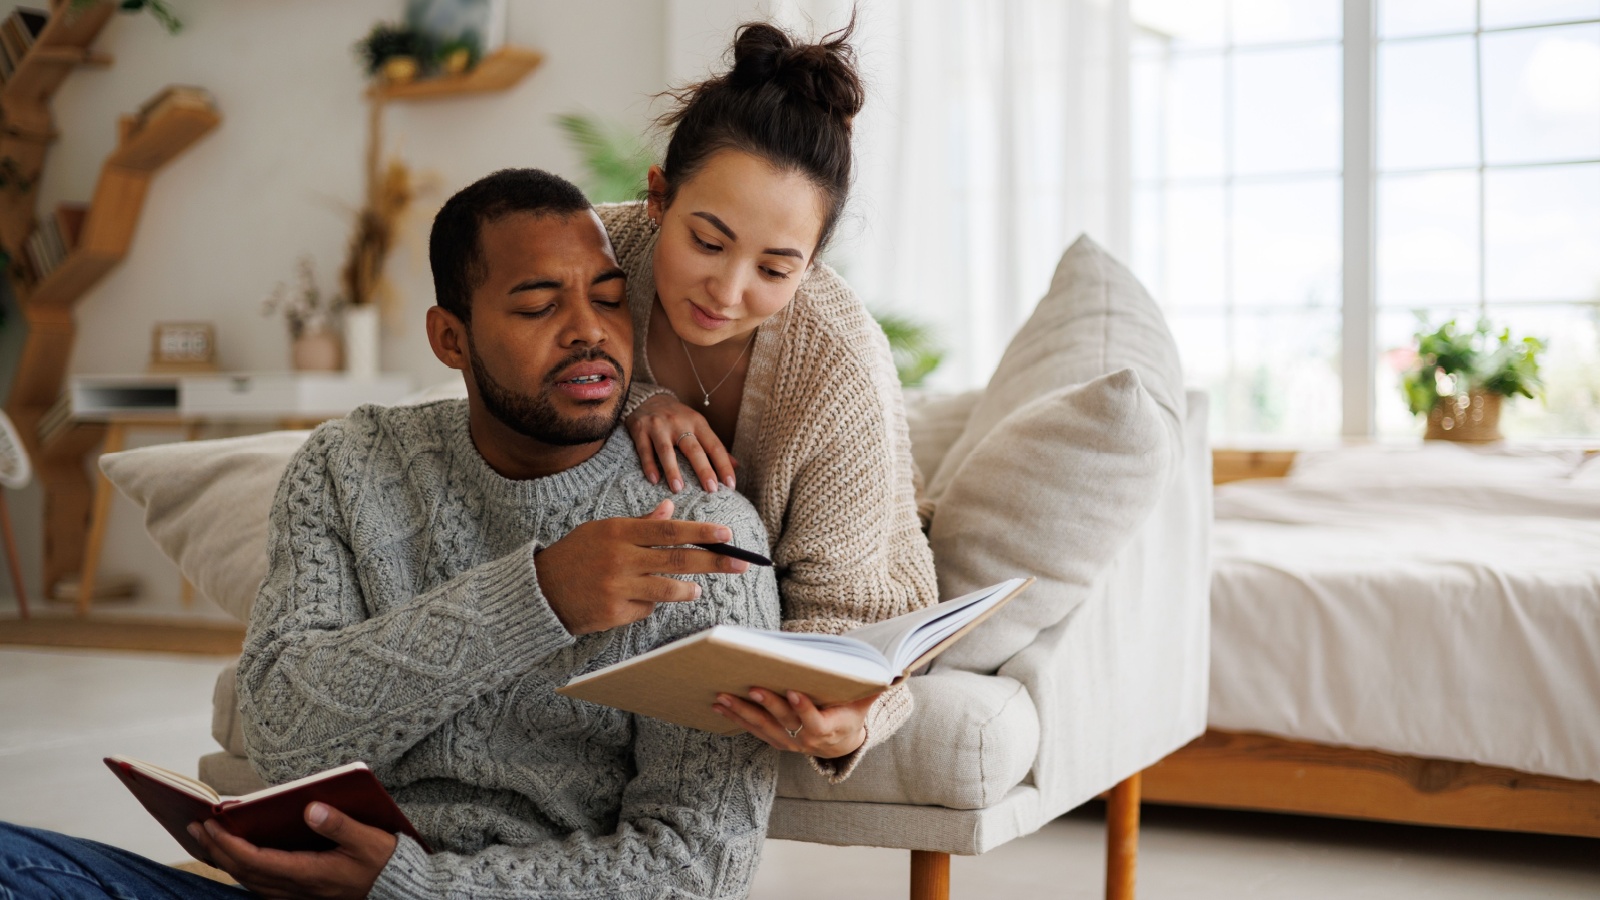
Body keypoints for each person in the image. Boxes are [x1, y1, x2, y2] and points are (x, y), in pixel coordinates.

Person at [0, 168, 780, 900]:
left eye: (609, 299)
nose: (588, 332)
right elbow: (279, 731)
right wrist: (538, 595)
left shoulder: (702, 532)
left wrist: (413, 889)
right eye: (539, 306)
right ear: (451, 339)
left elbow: (698, 863)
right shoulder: (348, 466)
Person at [600, 18, 939, 781]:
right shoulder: (595, 255)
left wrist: (845, 721)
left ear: (813, 264)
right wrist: (633, 400)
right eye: (708, 241)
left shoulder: (837, 358)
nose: (726, 291)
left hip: (839, 549)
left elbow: (852, 613)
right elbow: (506, 372)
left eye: (776, 268)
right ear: (658, 196)